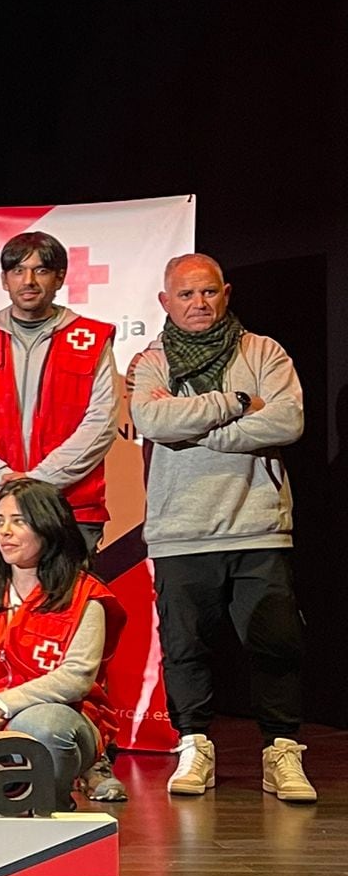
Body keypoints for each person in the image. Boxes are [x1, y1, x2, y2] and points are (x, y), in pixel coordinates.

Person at [130, 254, 314, 803]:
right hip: (180, 529)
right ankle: (194, 746)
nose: (199, 304)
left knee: (276, 645)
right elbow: (152, 420)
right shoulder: (151, 361)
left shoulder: (264, 351)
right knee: (185, 648)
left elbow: (288, 420)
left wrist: (204, 433)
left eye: (208, 292)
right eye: (186, 295)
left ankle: (281, 750)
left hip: (258, 526)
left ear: (226, 293)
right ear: (166, 302)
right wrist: (234, 404)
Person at [0, 478, 123, 813]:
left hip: (56, 718)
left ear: (49, 526)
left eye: (19, 521)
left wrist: (1, 706)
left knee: (41, 726)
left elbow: (76, 677)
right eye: (0, 521)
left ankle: (52, 800)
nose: (5, 531)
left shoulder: (86, 595)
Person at [0, 231, 116, 568]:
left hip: (67, 505)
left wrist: (40, 481)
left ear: (60, 277)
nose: (29, 281)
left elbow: (102, 423)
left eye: (41, 270)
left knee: (61, 615)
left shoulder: (92, 339)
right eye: (18, 271)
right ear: (4, 280)